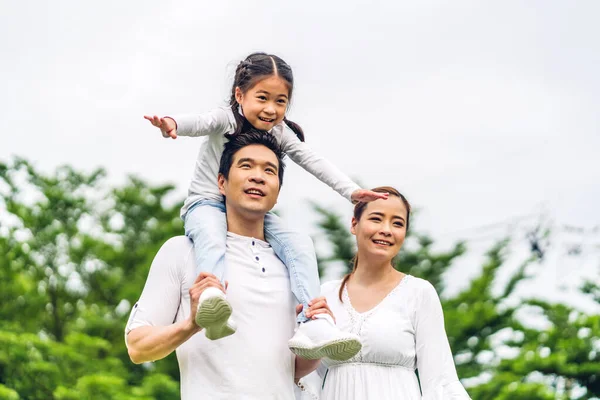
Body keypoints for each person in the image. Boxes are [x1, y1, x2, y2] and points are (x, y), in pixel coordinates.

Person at [144, 52, 383, 360]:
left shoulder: (279, 133)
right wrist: (172, 124)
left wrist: (351, 191)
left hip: (251, 211)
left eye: (280, 101)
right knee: (212, 235)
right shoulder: (225, 118)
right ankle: (212, 300)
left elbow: (311, 159)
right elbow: (200, 123)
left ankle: (313, 321)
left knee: (299, 243)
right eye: (262, 98)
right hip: (206, 204)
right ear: (239, 94)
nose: (271, 109)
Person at [126, 130, 349, 399]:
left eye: (269, 170)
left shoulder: (294, 268)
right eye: (246, 165)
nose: (258, 176)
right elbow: (138, 348)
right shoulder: (182, 251)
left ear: (277, 192)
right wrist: (191, 325)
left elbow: (290, 370)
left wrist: (316, 347)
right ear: (221, 182)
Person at [297, 187, 471, 400]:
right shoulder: (325, 295)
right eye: (376, 219)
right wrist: (308, 336)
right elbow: (307, 381)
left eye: (397, 223)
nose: (387, 230)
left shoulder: (418, 292)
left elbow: (439, 380)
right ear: (354, 224)